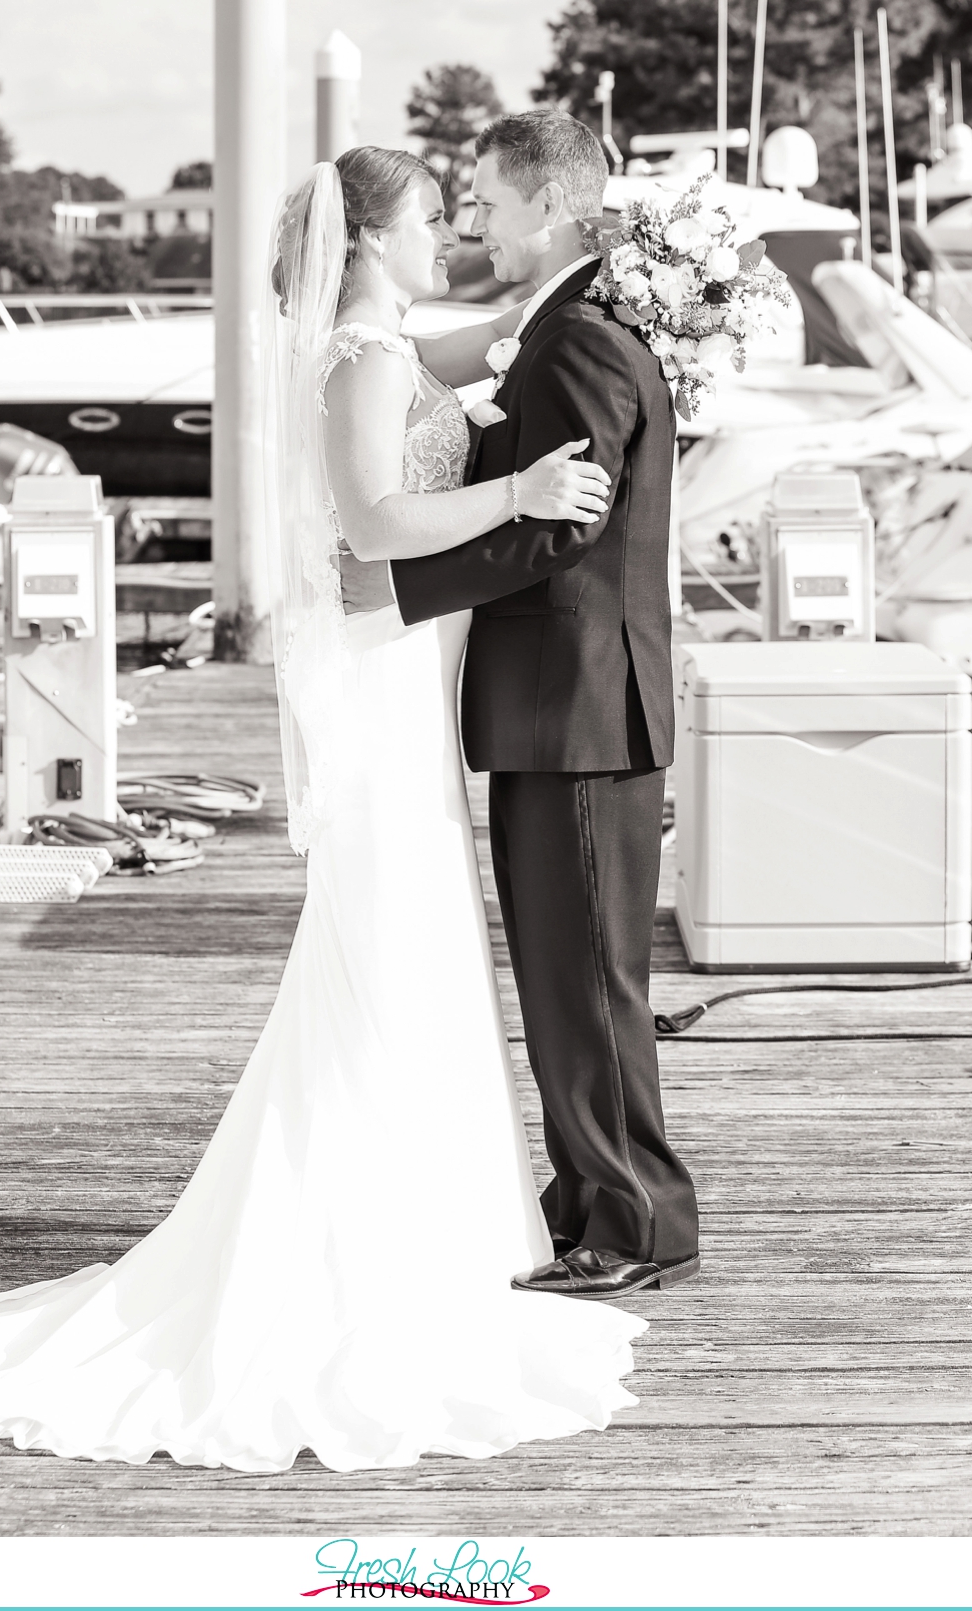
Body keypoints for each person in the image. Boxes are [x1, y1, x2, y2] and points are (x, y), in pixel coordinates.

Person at [0, 144, 648, 1475]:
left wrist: (636, 289)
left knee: (417, 957)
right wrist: (517, 491)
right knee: (390, 954)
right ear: (368, 242)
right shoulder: (362, 356)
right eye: (426, 225)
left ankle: (441, 1224)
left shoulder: (386, 342)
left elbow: (513, 348)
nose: (449, 239)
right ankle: (367, 1243)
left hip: (411, 673)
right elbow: (368, 521)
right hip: (386, 668)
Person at [341, 109, 700, 1302]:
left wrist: (393, 589)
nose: (473, 222)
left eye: (485, 202)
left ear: (551, 208)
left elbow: (561, 527)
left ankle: (636, 1224)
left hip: (583, 710)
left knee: (588, 980)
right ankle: (591, 1199)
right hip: (564, 706)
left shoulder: (583, 342)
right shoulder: (549, 330)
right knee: (565, 974)